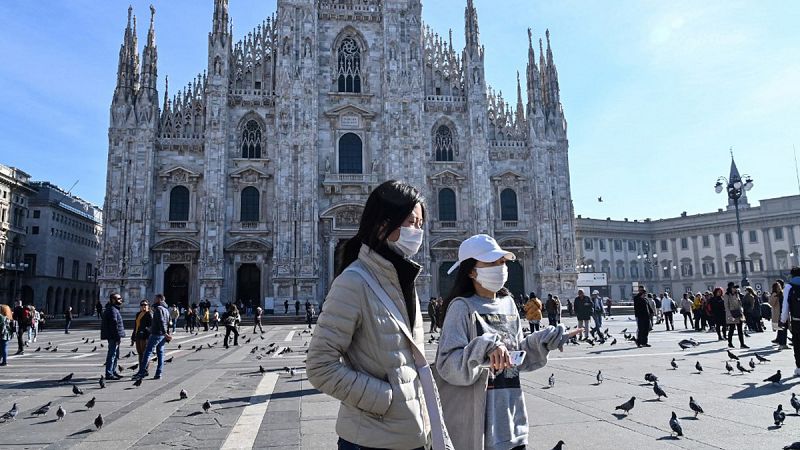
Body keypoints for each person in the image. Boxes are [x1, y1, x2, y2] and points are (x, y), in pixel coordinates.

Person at [307, 180, 432, 450]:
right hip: (369, 439)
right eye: (411, 222)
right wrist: (384, 399)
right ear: (383, 224)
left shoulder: (404, 282)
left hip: (412, 436)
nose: (417, 232)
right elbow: (319, 366)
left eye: (420, 224)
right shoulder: (353, 282)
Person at [434, 234, 578, 450]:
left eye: (502, 262)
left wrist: (544, 341)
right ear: (471, 271)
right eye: (491, 262)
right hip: (479, 425)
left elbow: (516, 356)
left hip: (512, 419)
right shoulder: (461, 307)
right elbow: (447, 366)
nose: (501, 267)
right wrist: (485, 346)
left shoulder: (508, 303)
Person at [132, 294, 171, 381]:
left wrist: (164, 333)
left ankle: (141, 372)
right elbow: (168, 322)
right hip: (162, 336)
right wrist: (166, 333)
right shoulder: (166, 310)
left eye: (155, 298)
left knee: (147, 352)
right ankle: (159, 373)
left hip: (157, 333)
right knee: (160, 354)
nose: (154, 300)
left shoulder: (158, 309)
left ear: (159, 299)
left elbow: (161, 321)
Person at [779, 267, 800, 376]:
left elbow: (785, 305)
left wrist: (783, 320)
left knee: (797, 344)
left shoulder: (789, 286)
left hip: (797, 320)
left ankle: (799, 367)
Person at [101, 293, 125, 380]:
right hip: (113, 336)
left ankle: (113, 371)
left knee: (114, 355)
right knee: (112, 355)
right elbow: (114, 325)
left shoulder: (113, 309)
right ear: (113, 300)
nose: (121, 300)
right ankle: (109, 373)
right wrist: (117, 337)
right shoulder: (112, 310)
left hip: (113, 336)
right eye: (119, 299)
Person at [723, 283, 747, 349]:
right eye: (734, 287)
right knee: (731, 329)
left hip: (738, 313)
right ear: (730, 288)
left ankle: (742, 344)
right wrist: (729, 316)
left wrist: (741, 313)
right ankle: (730, 343)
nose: (735, 289)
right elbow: (726, 306)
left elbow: (739, 304)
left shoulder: (737, 294)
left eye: (735, 288)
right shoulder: (727, 295)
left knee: (740, 330)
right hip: (731, 313)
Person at [131, 300, 152, 373]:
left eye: (145, 305)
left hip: (145, 336)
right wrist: (133, 335)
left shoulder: (149, 314)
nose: (144, 306)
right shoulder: (138, 314)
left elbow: (151, 326)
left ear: (148, 306)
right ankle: (141, 369)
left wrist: (145, 330)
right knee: (140, 353)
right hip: (138, 335)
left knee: (145, 353)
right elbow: (136, 325)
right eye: (142, 305)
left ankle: (145, 369)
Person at [769, 281, 788, 349]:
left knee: (784, 329)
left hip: (783, 313)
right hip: (778, 314)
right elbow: (771, 303)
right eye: (778, 286)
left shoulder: (782, 293)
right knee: (781, 329)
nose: (779, 287)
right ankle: (782, 344)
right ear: (775, 288)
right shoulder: (774, 294)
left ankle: (783, 343)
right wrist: (775, 296)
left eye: (780, 286)